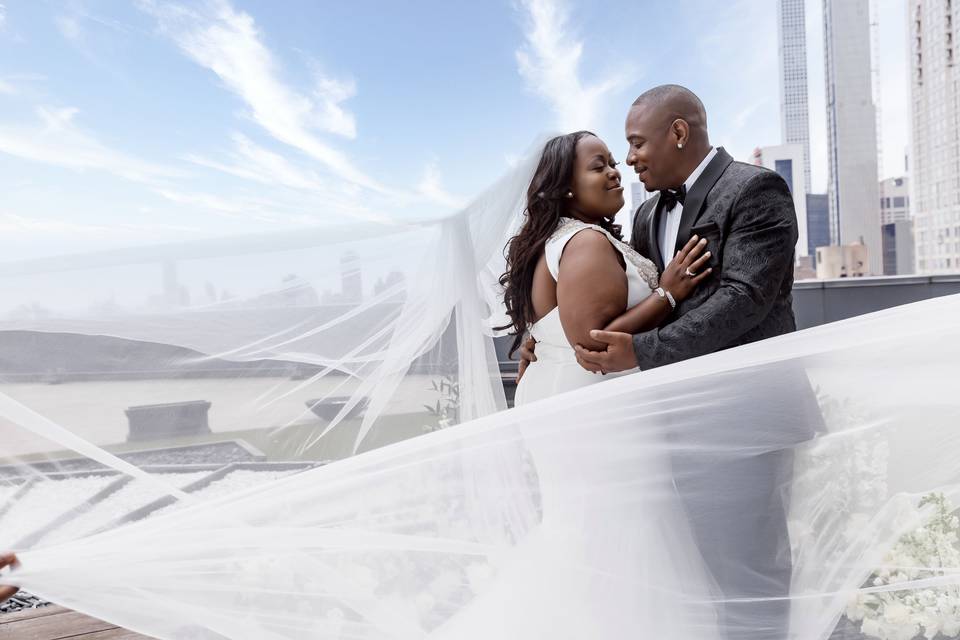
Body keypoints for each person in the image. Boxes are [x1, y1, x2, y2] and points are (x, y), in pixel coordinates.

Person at [520, 84, 805, 638]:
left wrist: (641, 350)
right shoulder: (648, 214)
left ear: (678, 132)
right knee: (671, 569)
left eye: (634, 144)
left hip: (740, 419)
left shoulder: (755, 189)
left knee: (749, 574)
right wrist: (546, 336)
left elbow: (745, 297)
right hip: (659, 426)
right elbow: (629, 299)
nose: (628, 162)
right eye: (613, 155)